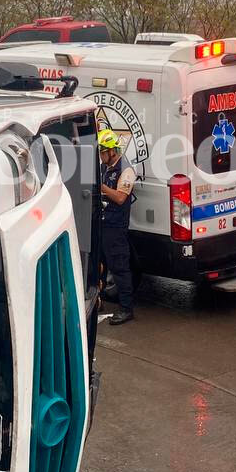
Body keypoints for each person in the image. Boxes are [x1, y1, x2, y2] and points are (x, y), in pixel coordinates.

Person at [98, 128, 136, 325]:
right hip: (103, 224)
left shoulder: (126, 170)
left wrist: (101, 187)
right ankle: (98, 301)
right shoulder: (105, 167)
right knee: (98, 266)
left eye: (103, 152)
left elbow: (121, 198)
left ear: (112, 151)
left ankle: (126, 309)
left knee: (119, 268)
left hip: (116, 227)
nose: (101, 156)